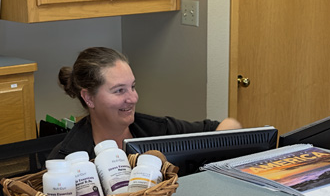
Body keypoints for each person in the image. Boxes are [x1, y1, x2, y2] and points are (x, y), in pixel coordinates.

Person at [48, 47, 242, 159]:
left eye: (132, 87)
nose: (133, 98)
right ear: (89, 98)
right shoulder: (68, 157)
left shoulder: (155, 129)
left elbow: (229, 126)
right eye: (119, 90)